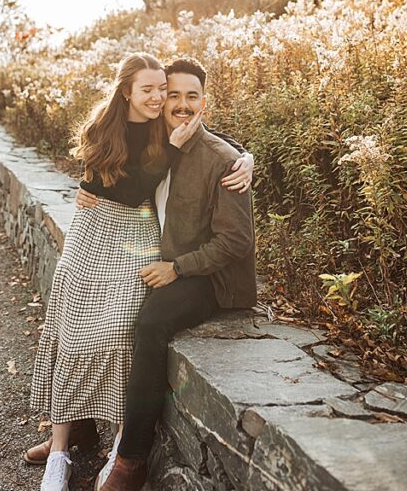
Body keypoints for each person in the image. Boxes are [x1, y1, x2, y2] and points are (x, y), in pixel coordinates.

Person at [25, 53, 252, 491]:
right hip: (117, 242)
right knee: (73, 325)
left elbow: (214, 152)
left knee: (127, 327)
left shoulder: (193, 143)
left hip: (170, 258)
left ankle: (126, 454)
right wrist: (86, 185)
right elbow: (115, 172)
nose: (171, 101)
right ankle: (69, 435)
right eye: (165, 93)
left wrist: (247, 157)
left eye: (179, 94)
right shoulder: (132, 131)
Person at [98, 57, 255, 491]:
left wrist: (177, 268)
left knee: (149, 324)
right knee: (102, 310)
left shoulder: (223, 160)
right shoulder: (157, 144)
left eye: (192, 97)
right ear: (161, 100)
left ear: (204, 102)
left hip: (212, 278)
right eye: (174, 95)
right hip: (166, 263)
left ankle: (132, 460)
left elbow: (236, 243)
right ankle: (75, 424)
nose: (182, 104)